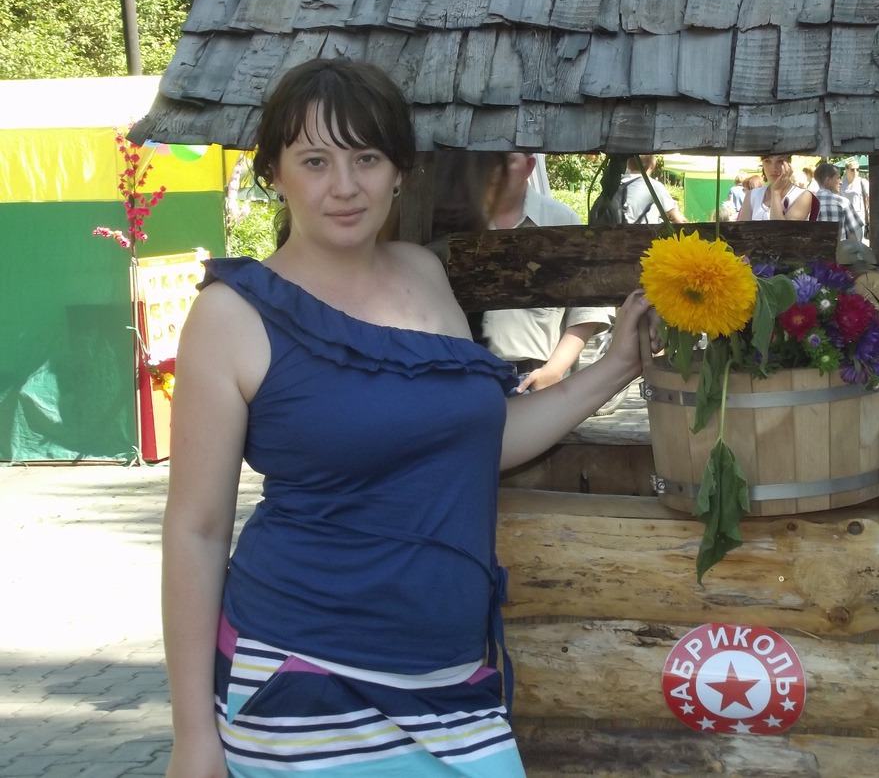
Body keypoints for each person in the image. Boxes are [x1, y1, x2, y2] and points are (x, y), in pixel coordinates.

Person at [160, 58, 651, 778]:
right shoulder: (231, 315)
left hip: (455, 687)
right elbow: (195, 530)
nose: (345, 185)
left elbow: (480, 443)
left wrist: (617, 366)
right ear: (274, 174)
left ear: (399, 171)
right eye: (315, 160)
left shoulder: (424, 271)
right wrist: (192, 736)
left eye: (367, 157)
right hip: (302, 684)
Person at [482, 152, 613, 391]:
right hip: (467, 377)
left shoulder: (561, 220)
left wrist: (553, 372)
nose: (494, 169)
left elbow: (587, 312)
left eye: (507, 160)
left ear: (529, 166)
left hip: (530, 380)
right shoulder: (456, 219)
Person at [737, 153, 814, 221]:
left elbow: (780, 230)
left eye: (780, 161)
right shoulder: (752, 195)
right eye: (767, 161)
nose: (773, 168)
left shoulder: (803, 195)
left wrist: (776, 192)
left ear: (789, 165)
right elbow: (742, 230)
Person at [618, 154, 686, 224]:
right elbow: (676, 220)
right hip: (642, 231)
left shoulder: (615, 185)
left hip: (614, 229)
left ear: (628, 164)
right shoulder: (654, 186)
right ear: (653, 164)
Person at [811, 160, 864, 240]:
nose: (841, 182)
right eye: (838, 178)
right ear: (828, 181)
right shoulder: (842, 203)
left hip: (815, 247)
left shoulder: (808, 203)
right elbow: (853, 237)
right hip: (839, 247)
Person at [840, 159, 870, 238]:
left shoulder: (863, 182)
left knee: (857, 242)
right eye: (852, 169)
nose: (855, 171)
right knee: (845, 242)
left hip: (858, 217)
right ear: (846, 169)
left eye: (857, 169)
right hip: (845, 217)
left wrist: (866, 212)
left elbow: (868, 198)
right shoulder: (843, 184)